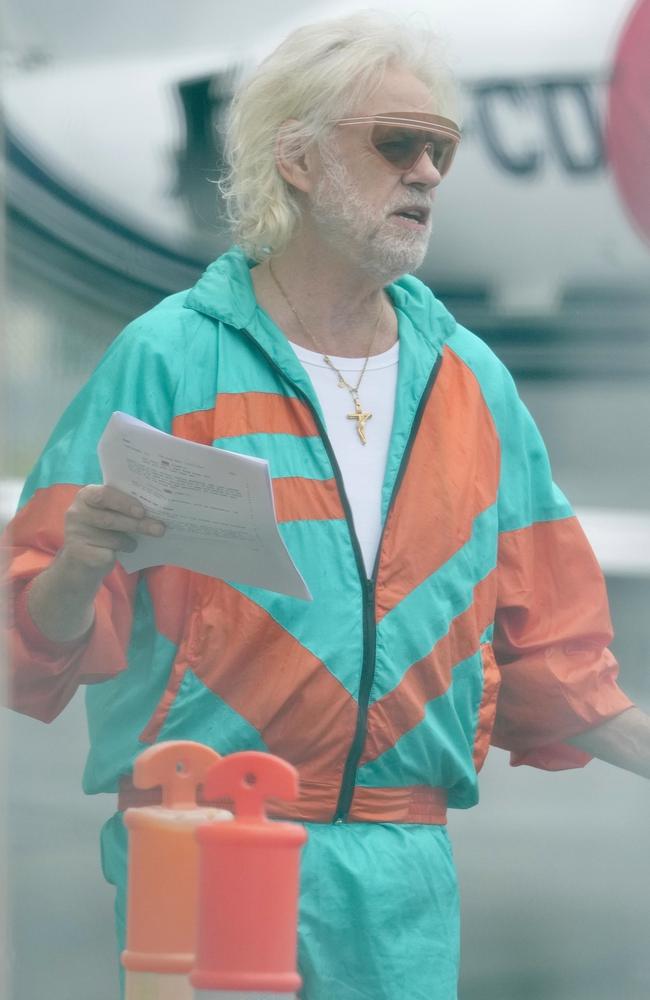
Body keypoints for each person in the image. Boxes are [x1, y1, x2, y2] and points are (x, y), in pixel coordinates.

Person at [4, 12, 650, 1000]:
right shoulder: (170, 355)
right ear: (298, 160)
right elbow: (30, 634)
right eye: (398, 144)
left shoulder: (472, 386)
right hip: (201, 835)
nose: (428, 173)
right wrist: (81, 559)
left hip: (405, 867)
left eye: (441, 148)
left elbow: (562, 667)